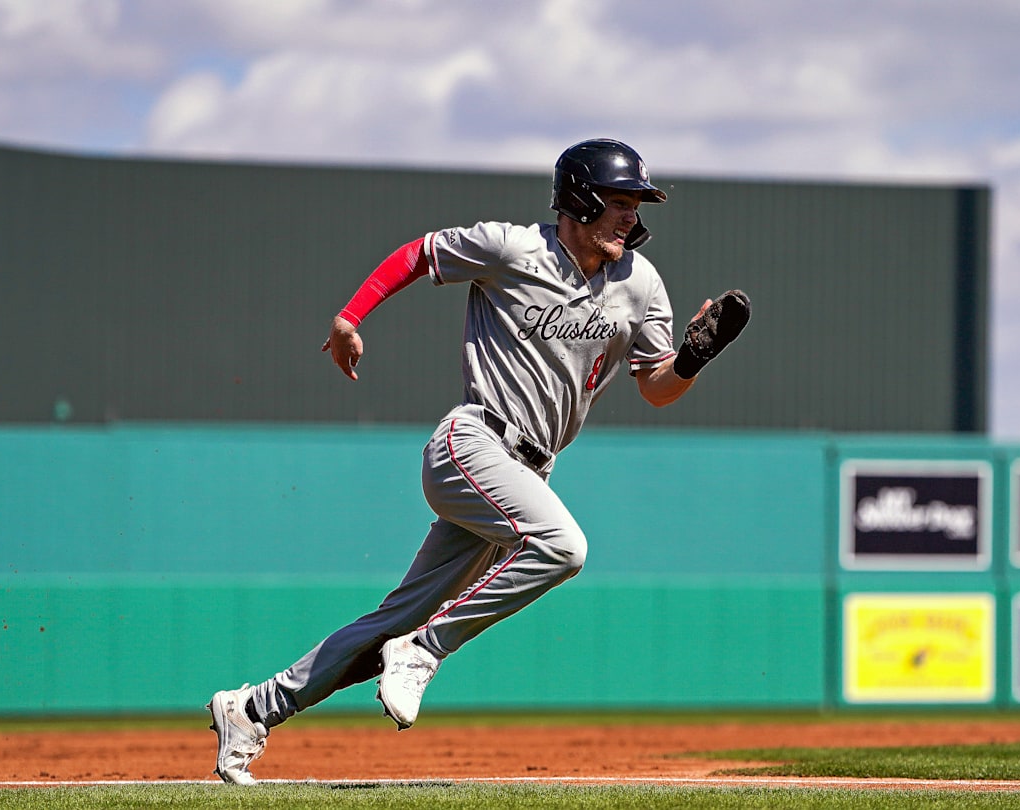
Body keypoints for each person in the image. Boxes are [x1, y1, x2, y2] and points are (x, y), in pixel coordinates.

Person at [206, 138, 751, 784]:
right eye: (621, 202)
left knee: (393, 623)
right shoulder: (513, 247)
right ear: (579, 198)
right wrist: (352, 316)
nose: (633, 216)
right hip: (474, 443)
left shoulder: (640, 284)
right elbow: (420, 254)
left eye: (637, 203)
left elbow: (656, 388)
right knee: (563, 547)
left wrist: (692, 358)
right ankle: (427, 649)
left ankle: (252, 709)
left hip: (527, 473)